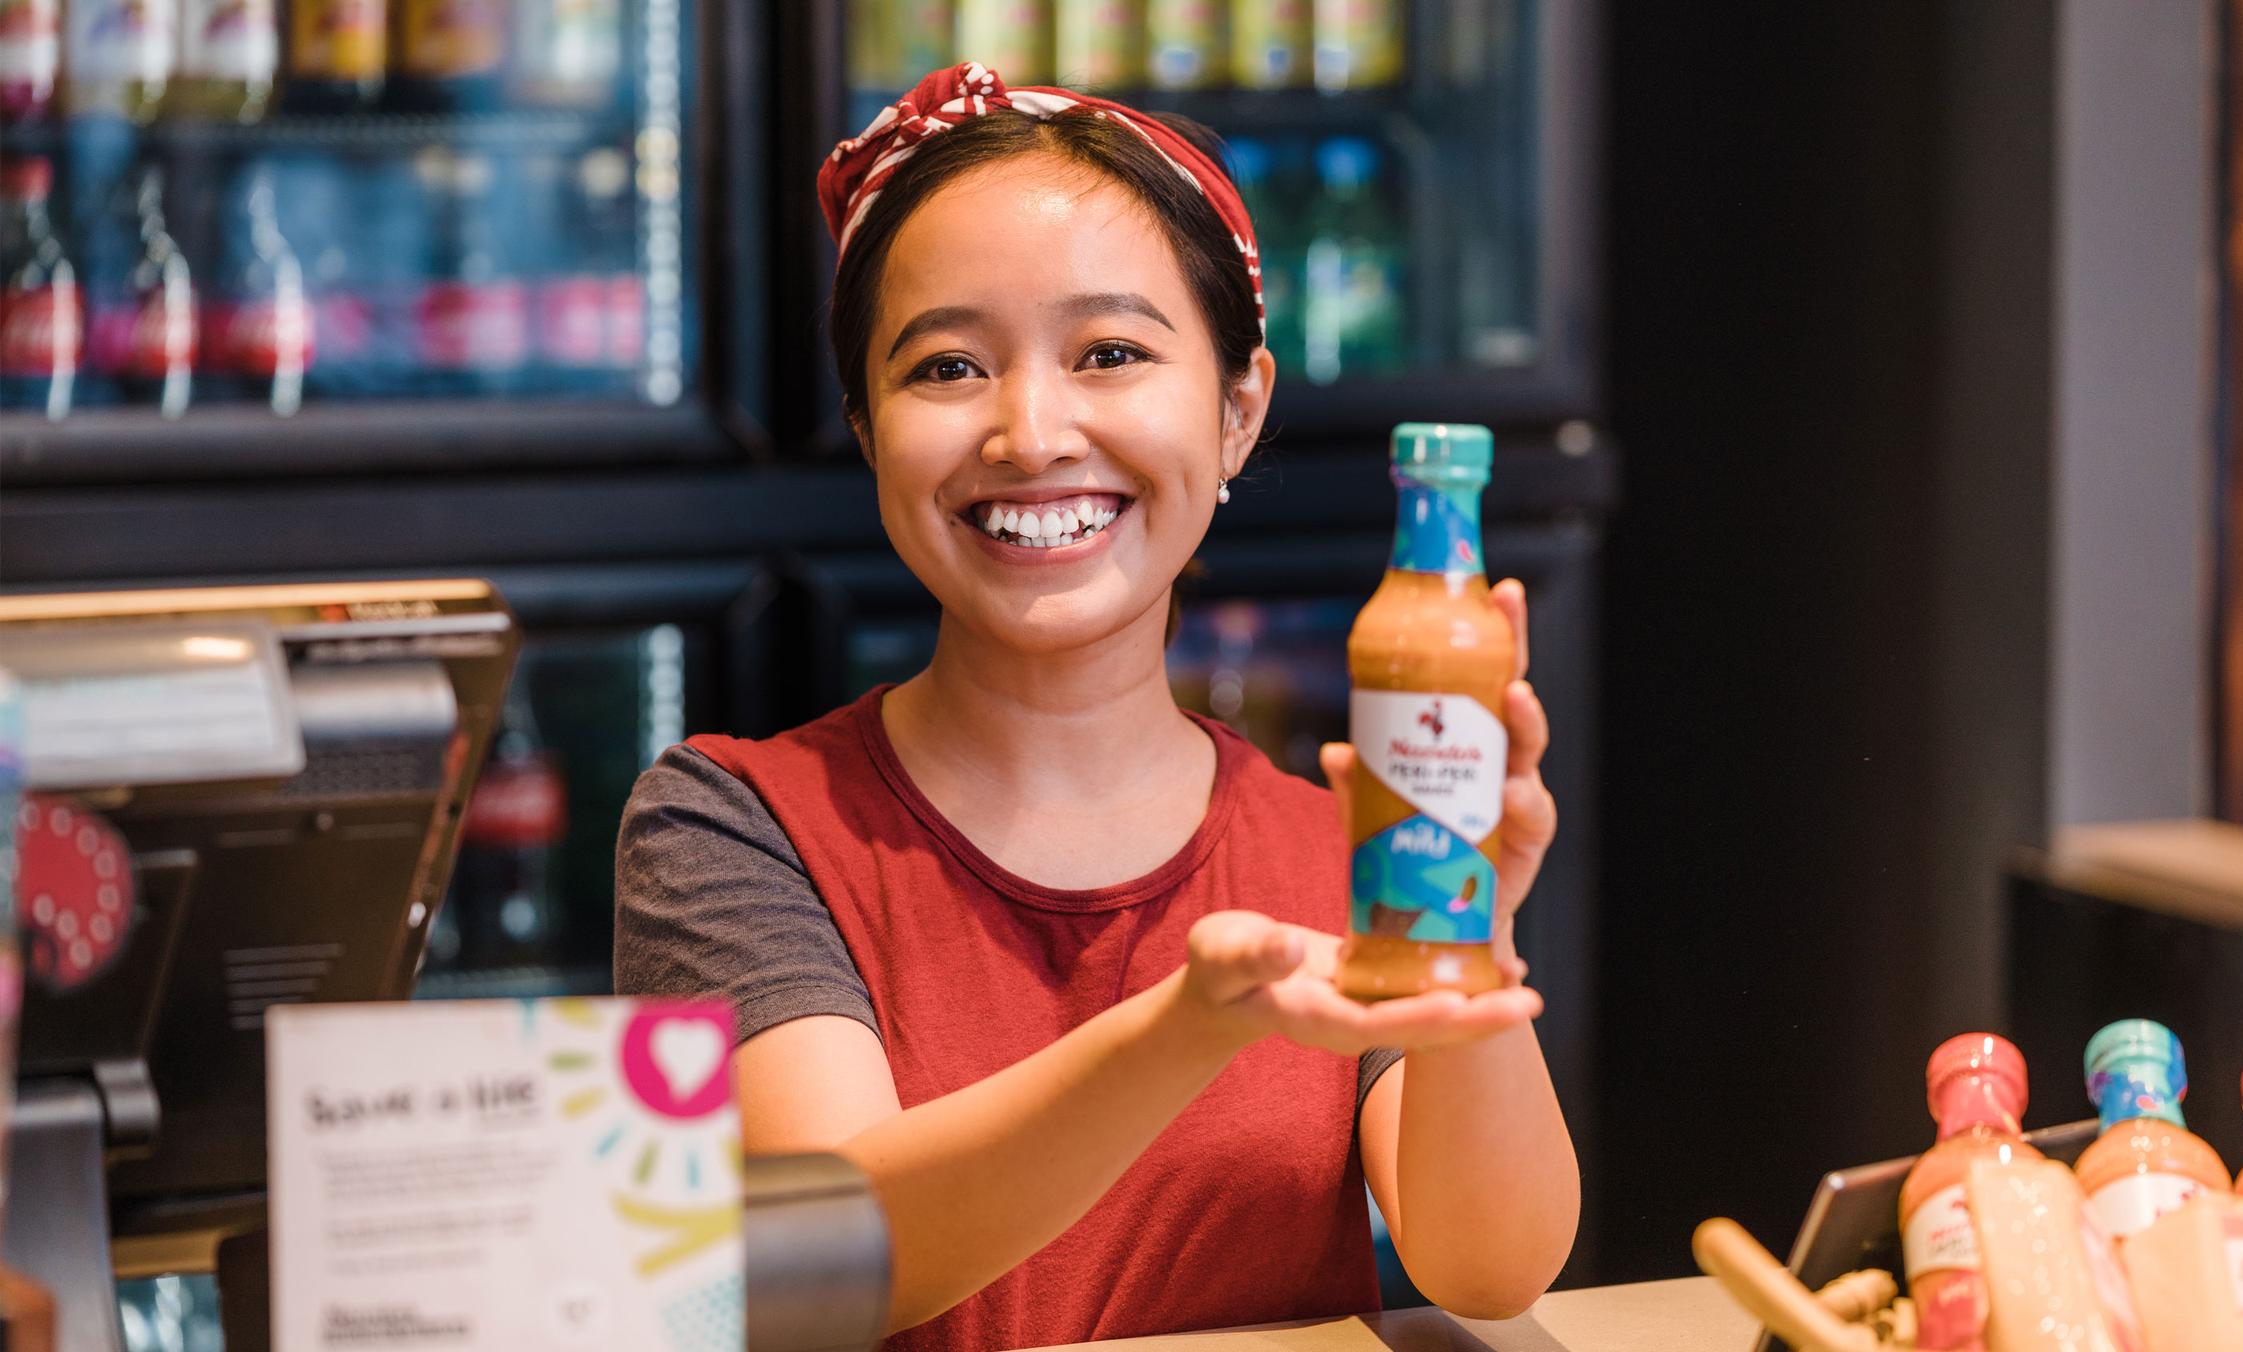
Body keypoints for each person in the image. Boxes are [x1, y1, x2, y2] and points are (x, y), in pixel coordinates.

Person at [614, 61, 1577, 1351]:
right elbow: (821, 1268)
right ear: (867, 427)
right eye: (947, 368)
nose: (1029, 431)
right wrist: (1187, 1028)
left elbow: (1490, 1263)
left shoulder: (1336, 848)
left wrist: (1474, 938)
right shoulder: (732, 825)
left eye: (1111, 353)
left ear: (1240, 410)